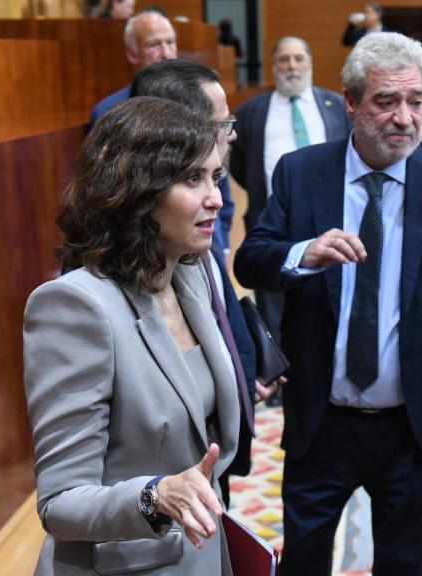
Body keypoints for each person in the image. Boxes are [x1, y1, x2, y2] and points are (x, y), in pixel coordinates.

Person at [234, 32, 422, 575]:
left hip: (415, 429)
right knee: (305, 562)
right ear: (352, 104)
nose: (404, 118)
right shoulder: (301, 171)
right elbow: (251, 259)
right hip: (321, 421)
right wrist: (302, 253)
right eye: (386, 102)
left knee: (406, 565)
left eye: (415, 101)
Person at [24, 97, 241, 574]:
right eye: (192, 179)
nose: (216, 199)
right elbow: (60, 502)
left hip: (200, 555)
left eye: (215, 177)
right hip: (124, 563)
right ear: (138, 192)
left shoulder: (192, 274)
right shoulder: (75, 306)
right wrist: (155, 495)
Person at [131, 57, 281, 505]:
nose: (232, 134)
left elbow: (215, 318)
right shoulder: (87, 293)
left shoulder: (191, 243)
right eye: (222, 122)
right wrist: (154, 500)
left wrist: (233, 371)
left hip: (209, 471)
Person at [229, 36, 351, 374]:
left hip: (330, 221)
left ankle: (330, 366)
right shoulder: (253, 112)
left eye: (298, 58)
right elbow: (240, 165)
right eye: (284, 60)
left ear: (310, 61)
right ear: (273, 66)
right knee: (272, 300)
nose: (292, 66)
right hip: (272, 221)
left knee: (330, 297)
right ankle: (279, 371)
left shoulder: (336, 106)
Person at [130, 59, 238, 257]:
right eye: (193, 179)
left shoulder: (193, 244)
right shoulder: (85, 286)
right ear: (183, 129)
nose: (232, 135)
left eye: (213, 179)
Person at [88, 11, 177, 131]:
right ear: (132, 55)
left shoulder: (199, 99)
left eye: (170, 42)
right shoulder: (108, 113)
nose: (166, 54)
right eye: (154, 45)